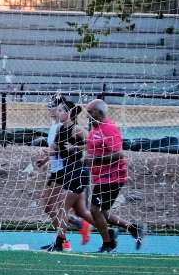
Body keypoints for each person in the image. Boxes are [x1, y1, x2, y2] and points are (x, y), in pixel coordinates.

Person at [34, 95, 96, 251]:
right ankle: (101, 230)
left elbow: (90, 144)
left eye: (55, 106)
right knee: (78, 210)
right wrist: (45, 159)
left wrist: (74, 149)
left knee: (55, 207)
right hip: (59, 170)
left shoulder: (71, 128)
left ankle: (63, 241)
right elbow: (56, 149)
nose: (50, 108)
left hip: (66, 171)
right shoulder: (57, 127)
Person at [84, 99, 145, 252]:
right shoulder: (95, 129)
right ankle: (133, 228)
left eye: (90, 113)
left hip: (112, 176)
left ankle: (108, 242)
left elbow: (118, 154)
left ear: (99, 112)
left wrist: (93, 160)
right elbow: (93, 150)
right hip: (101, 177)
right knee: (102, 212)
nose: (88, 116)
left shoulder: (109, 128)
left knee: (94, 209)